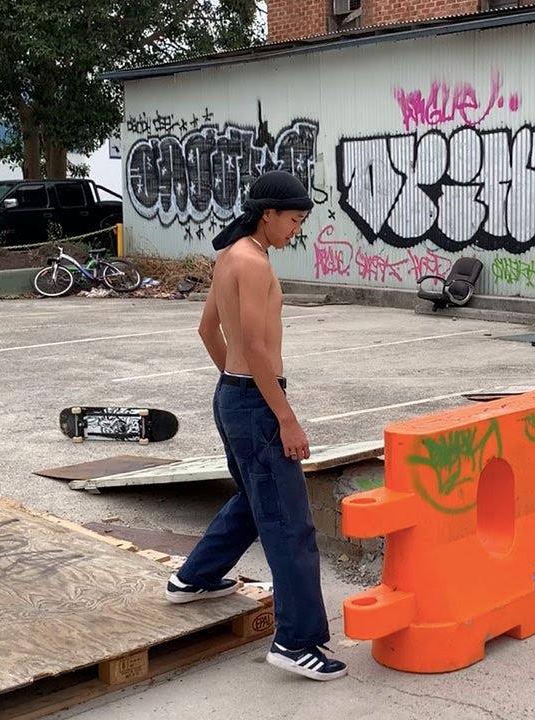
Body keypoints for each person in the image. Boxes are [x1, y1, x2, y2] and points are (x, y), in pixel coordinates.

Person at [163, 170, 347, 682]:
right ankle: (296, 642)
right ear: (269, 214)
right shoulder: (254, 264)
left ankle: (193, 578)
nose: (297, 229)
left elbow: (207, 329)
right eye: (294, 220)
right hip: (257, 404)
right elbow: (256, 346)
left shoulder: (230, 255)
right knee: (291, 525)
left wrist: (234, 381)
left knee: (254, 499)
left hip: (233, 395)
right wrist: (285, 418)